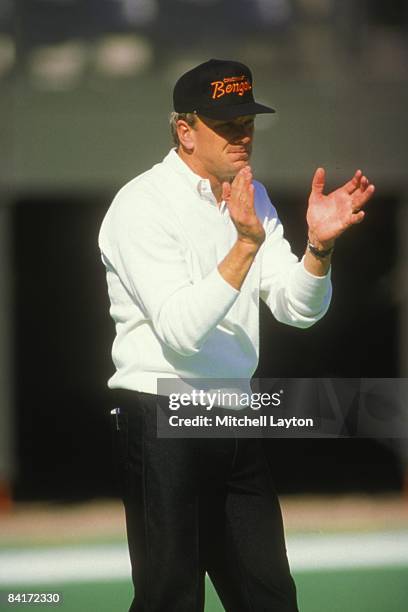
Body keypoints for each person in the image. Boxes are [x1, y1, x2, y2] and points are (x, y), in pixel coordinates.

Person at [98, 58, 375, 612]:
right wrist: (245, 244)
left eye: (246, 120)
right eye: (226, 124)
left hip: (234, 417)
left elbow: (299, 309)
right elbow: (179, 331)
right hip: (161, 416)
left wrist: (319, 249)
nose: (241, 134)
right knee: (171, 600)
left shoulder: (253, 198)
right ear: (184, 130)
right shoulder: (140, 204)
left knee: (271, 598)